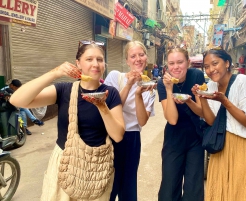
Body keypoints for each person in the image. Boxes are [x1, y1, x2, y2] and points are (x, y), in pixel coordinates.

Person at [9, 40, 125, 200]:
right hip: (65, 164)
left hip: (97, 167)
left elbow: (118, 135)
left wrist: (102, 106)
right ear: (78, 63)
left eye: (100, 59)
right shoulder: (65, 90)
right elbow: (17, 100)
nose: (96, 64)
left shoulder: (110, 93)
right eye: (89, 59)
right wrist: (54, 73)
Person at [192, 48, 246, 201]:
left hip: (243, 148)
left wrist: (224, 101)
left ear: (227, 63)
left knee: (240, 193)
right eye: (206, 66)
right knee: (219, 192)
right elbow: (211, 121)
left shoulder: (243, 82)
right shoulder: (211, 86)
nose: (211, 69)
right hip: (220, 147)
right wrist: (202, 97)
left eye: (215, 63)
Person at [104, 40, 155, 201]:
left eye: (141, 55)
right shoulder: (114, 77)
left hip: (132, 137)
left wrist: (139, 93)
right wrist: (129, 84)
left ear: (146, 57)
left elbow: (141, 121)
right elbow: (109, 108)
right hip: (110, 136)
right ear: (127, 60)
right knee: (108, 185)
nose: (138, 59)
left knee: (128, 187)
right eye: (133, 56)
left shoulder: (150, 89)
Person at [157, 47, 205, 201]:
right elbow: (172, 119)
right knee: (169, 188)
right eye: (171, 63)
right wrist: (169, 89)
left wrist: (189, 101)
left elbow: (202, 112)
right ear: (167, 66)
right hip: (173, 138)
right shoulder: (162, 83)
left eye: (180, 62)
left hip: (195, 137)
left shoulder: (196, 75)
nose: (176, 67)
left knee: (193, 188)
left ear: (188, 62)